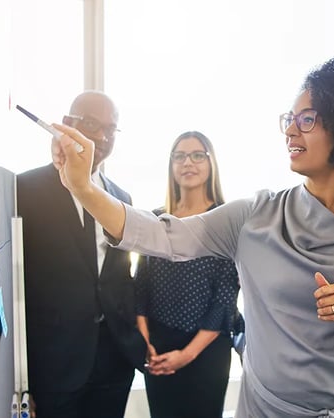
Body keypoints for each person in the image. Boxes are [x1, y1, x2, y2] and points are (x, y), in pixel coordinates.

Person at [52, 56, 334, 417]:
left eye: (307, 120)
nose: (291, 131)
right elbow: (158, 234)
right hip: (266, 411)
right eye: (289, 120)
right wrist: (83, 188)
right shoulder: (254, 216)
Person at [17, 90, 146, 418]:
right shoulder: (24, 190)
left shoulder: (122, 197)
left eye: (111, 128)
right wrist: (22, 377)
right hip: (54, 363)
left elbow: (120, 276)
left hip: (113, 359)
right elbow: (18, 285)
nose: (102, 136)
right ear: (66, 125)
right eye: (91, 124)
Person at [135, 130, 243, 417]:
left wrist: (186, 355)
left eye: (198, 155)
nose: (188, 163)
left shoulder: (226, 221)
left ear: (211, 164)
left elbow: (225, 300)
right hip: (157, 348)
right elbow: (140, 288)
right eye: (180, 156)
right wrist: (145, 344)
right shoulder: (156, 220)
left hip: (206, 350)